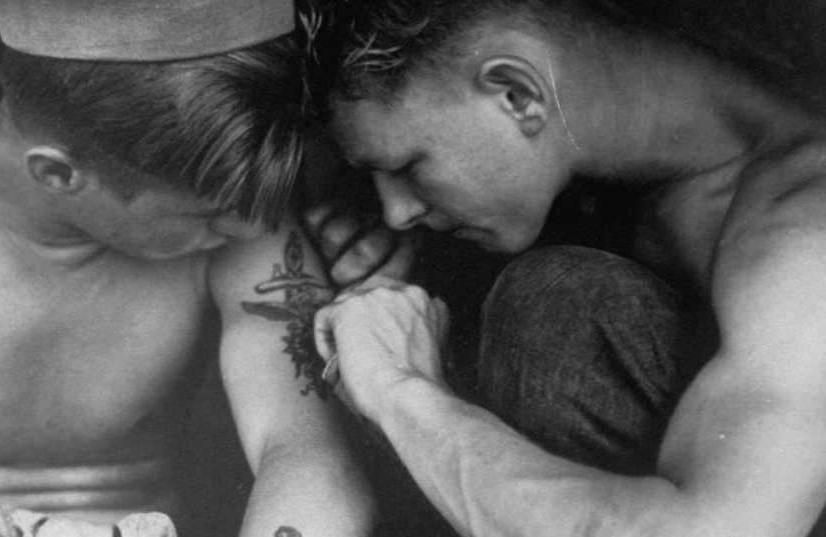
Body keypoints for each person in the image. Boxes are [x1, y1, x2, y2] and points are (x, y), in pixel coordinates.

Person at [0, 1, 374, 536]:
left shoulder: (231, 199)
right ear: (58, 173)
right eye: (208, 214)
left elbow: (312, 458)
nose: (253, 231)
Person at [307, 0, 826, 536]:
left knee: (554, 309)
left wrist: (399, 392)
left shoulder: (801, 238)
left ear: (517, 93)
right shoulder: (629, 163)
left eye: (408, 167)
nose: (396, 212)